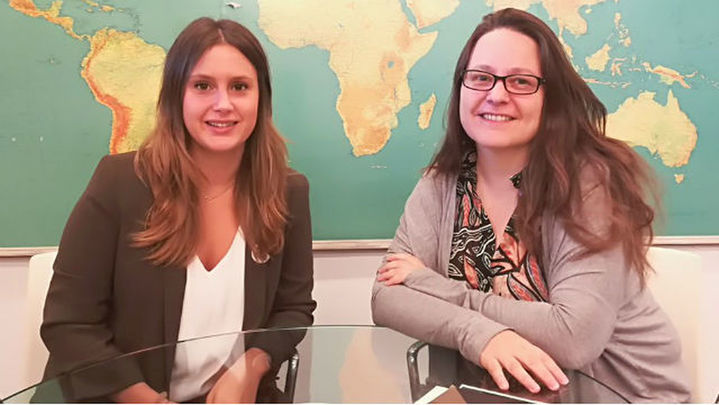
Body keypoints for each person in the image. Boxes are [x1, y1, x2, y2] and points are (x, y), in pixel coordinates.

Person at [371, 8, 690, 403]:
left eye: (521, 81)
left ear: (550, 98)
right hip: (497, 397)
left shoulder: (587, 184)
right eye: (481, 77)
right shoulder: (441, 183)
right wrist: (478, 334)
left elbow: (573, 337)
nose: (496, 94)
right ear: (461, 87)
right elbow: (385, 298)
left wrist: (430, 285)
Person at [40, 17, 315, 403]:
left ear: (261, 98)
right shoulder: (119, 182)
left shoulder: (288, 191)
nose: (223, 104)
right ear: (176, 96)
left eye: (239, 86)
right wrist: (146, 399)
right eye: (202, 86)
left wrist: (253, 365)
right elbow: (68, 323)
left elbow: (293, 308)